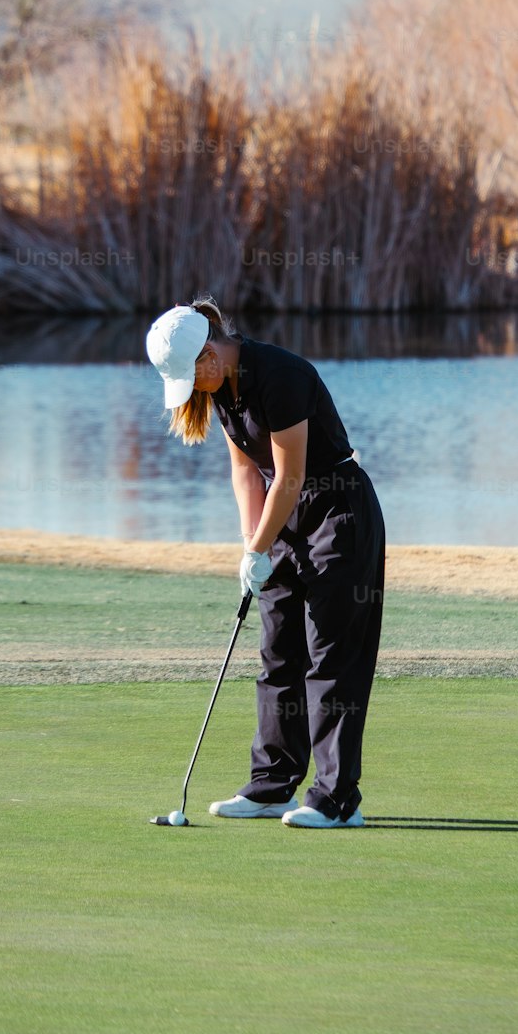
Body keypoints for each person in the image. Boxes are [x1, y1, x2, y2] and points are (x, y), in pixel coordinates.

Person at [145, 294, 385, 830]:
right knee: (278, 652)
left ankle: (337, 798)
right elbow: (246, 470)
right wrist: (251, 547)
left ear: (211, 352)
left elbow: (293, 475)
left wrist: (260, 545)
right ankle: (273, 784)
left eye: (192, 375)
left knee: (330, 657)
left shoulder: (279, 374)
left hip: (337, 512)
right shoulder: (222, 388)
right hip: (281, 519)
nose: (193, 390)